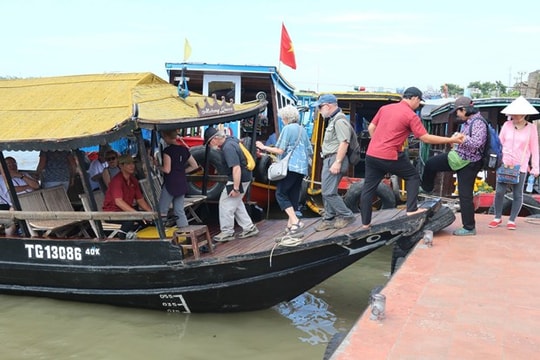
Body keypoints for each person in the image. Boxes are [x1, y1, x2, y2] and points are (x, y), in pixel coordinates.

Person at [362, 87, 465, 230]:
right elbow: (425, 138)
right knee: (413, 177)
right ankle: (411, 210)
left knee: (368, 188)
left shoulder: (385, 108)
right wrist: (449, 140)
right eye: (419, 102)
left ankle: (365, 224)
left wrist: (378, 143)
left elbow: (371, 128)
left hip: (372, 154)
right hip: (390, 155)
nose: (418, 105)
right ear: (415, 98)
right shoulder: (410, 115)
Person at [421, 96, 485, 236]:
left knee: (465, 195)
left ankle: (469, 228)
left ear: (464, 110)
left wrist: (460, 138)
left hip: (469, 162)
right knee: (431, 164)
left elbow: (477, 143)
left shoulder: (478, 122)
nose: (457, 114)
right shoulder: (468, 122)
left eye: (458, 111)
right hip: (460, 157)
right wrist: (457, 139)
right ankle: (427, 188)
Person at [256, 105, 313, 235]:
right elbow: (310, 150)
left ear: (287, 118)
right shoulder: (302, 130)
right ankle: (290, 226)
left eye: (282, 118)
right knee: (293, 195)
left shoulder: (287, 129)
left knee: (280, 194)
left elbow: (280, 150)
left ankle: (296, 221)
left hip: (290, 167)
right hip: (302, 168)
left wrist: (263, 147)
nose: (282, 120)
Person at [489, 96, 539, 230]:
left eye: (519, 113)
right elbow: (499, 144)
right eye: (514, 113)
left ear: (525, 113)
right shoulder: (507, 125)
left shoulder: (531, 128)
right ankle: (497, 217)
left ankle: (512, 220)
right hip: (504, 163)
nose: (516, 116)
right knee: (499, 191)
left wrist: (535, 167)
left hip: (521, 165)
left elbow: (534, 148)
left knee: (518, 194)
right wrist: (496, 162)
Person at [204, 127, 259, 242]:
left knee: (225, 203)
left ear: (214, 139)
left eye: (209, 143)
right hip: (244, 177)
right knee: (236, 203)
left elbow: (236, 168)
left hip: (237, 179)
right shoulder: (231, 140)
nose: (209, 145)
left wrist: (235, 188)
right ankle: (249, 227)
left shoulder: (228, 148)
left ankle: (227, 232)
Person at [311, 94, 357, 231]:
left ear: (328, 105)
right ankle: (329, 219)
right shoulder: (334, 120)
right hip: (330, 159)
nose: (319, 111)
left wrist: (337, 162)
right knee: (328, 190)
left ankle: (347, 215)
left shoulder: (339, 121)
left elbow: (344, 142)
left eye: (320, 107)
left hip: (334, 159)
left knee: (328, 192)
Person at [102, 154, 153, 238]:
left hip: (125, 212)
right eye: (128, 164)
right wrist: (137, 214)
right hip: (113, 213)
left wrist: (151, 213)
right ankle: (122, 239)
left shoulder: (133, 180)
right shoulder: (117, 181)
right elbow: (119, 202)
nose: (132, 166)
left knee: (148, 220)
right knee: (131, 219)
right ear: (121, 166)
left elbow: (140, 199)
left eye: (132, 163)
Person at [157, 129, 199, 229]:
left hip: (170, 183)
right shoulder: (184, 149)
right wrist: (182, 172)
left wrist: (157, 166)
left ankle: (160, 231)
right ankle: (185, 231)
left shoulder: (168, 151)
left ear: (167, 137)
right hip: (181, 182)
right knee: (179, 210)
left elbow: (167, 170)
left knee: (162, 209)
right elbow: (194, 165)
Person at [0, 157, 40, 235]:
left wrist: (21, 176)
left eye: (14, 163)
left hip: (33, 201)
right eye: (9, 164)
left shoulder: (24, 174)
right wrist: (28, 186)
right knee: (13, 221)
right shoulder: (2, 178)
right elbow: (12, 190)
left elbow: (36, 185)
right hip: (17, 204)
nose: (12, 166)